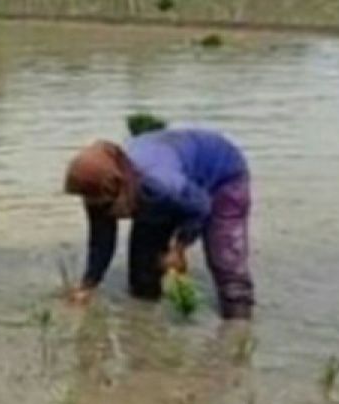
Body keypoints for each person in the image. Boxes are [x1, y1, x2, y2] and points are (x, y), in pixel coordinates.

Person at [62, 128, 255, 319]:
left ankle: (238, 323)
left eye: (96, 199)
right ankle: (147, 327)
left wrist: (179, 247)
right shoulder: (98, 190)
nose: (91, 203)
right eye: (87, 198)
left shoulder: (161, 184)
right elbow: (101, 241)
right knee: (143, 276)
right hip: (163, 181)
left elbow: (201, 205)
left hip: (222, 175)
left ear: (116, 187)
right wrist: (88, 285)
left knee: (225, 257)